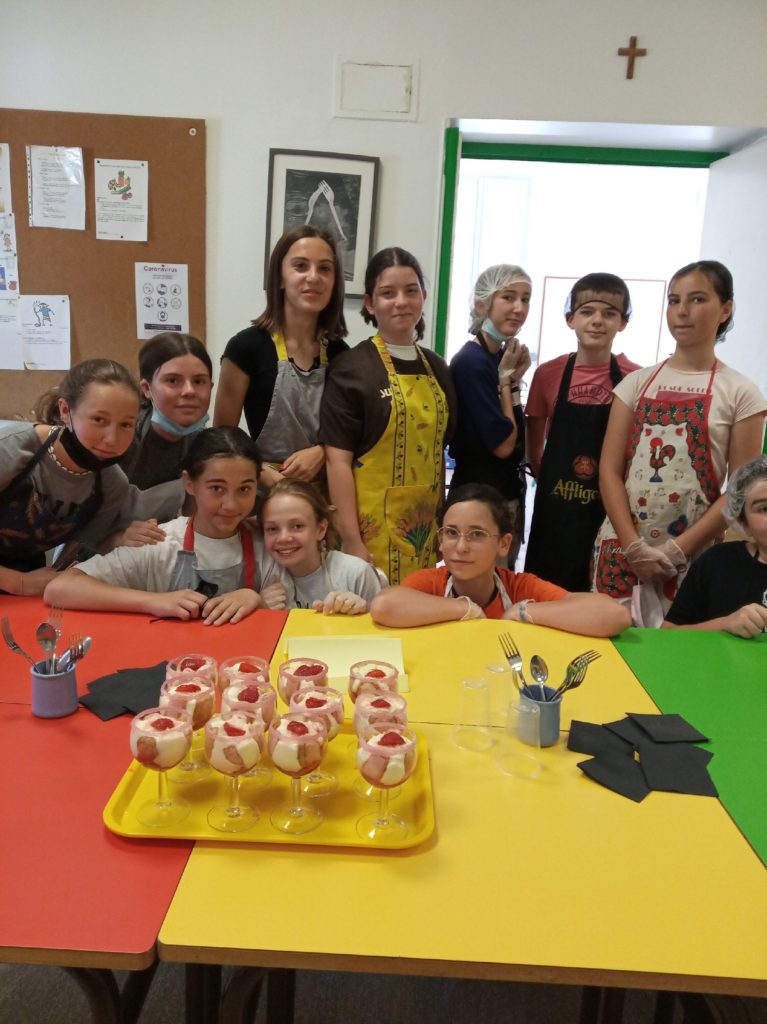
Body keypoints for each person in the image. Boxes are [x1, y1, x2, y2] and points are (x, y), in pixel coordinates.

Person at [593, 260, 767, 622]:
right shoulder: (635, 384)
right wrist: (633, 545)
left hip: (692, 555)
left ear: (726, 309)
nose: (682, 312)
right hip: (622, 547)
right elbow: (609, 471)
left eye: (698, 299)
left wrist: (676, 550)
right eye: (674, 301)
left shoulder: (741, 393)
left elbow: (740, 490)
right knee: (616, 652)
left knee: (679, 657)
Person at [44, 427, 284, 624]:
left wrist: (255, 600)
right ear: (189, 483)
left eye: (244, 489)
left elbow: (287, 608)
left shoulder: (268, 544)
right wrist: (153, 601)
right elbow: (60, 588)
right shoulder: (160, 543)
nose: (231, 505)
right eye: (216, 488)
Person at [319, 247, 457, 585]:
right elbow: (337, 461)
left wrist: (441, 524)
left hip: (421, 531)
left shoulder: (438, 367)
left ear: (423, 296)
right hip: (368, 532)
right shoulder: (351, 368)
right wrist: (351, 539)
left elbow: (436, 452)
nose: (401, 301)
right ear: (369, 303)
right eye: (387, 293)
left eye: (411, 291)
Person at [0, 359, 183, 596]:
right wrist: (17, 582)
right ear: (66, 410)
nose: (112, 438)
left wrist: (120, 537)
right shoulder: (11, 451)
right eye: (99, 420)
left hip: (25, 582)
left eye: (126, 424)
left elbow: (90, 542)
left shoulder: (110, 485)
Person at [370, 483, 631, 636]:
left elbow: (615, 615)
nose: (460, 547)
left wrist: (522, 611)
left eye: (477, 535)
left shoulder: (520, 588)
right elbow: (384, 605)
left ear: (504, 544)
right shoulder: (431, 584)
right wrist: (466, 609)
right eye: (451, 533)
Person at [524, 273, 640, 590]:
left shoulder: (635, 378)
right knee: (543, 597)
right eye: (587, 312)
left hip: (607, 515)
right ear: (570, 319)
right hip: (554, 517)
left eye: (610, 313)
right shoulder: (548, 374)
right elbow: (533, 450)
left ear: (623, 322)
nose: (597, 321)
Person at [214, 225, 348, 489]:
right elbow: (222, 438)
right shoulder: (245, 348)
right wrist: (264, 474)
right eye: (300, 266)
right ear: (280, 278)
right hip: (262, 492)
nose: (313, 277)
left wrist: (321, 452)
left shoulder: (342, 355)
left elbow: (349, 435)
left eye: (324, 268)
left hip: (323, 496)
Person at [448, 265, 532, 568]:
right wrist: (507, 382)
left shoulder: (498, 357)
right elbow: (504, 444)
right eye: (508, 297)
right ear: (482, 304)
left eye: (525, 299)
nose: (518, 308)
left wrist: (511, 382)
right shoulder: (472, 362)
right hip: (479, 495)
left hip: (503, 491)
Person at [663, 455, 767, 637]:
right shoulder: (718, 563)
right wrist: (725, 624)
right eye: (764, 509)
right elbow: (668, 634)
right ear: (744, 524)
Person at [258, 479, 382, 614]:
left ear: (321, 529)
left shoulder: (355, 573)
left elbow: (382, 629)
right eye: (272, 529)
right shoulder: (264, 574)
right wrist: (259, 606)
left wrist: (361, 613)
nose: (283, 538)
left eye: (297, 526)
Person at [120, 332, 213, 489]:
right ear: (147, 388)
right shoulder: (118, 439)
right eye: (173, 380)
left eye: (199, 381)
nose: (189, 391)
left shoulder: (206, 446)